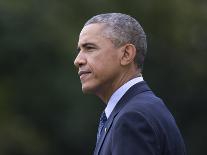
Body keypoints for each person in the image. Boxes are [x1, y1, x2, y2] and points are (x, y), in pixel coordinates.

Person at [74, 13, 186, 155]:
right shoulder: (140, 109)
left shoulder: (133, 118)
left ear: (126, 54)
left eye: (89, 48)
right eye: (79, 50)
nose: (78, 60)